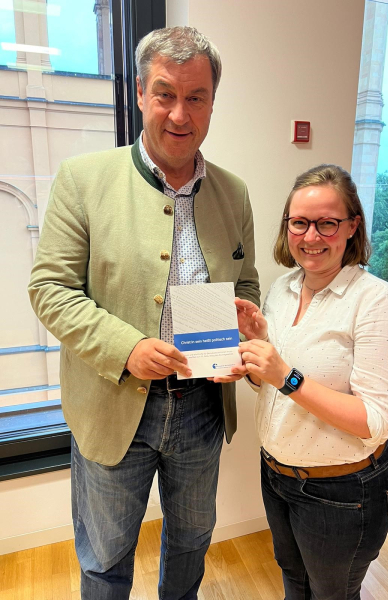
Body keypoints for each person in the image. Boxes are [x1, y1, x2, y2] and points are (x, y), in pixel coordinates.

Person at [28, 26, 259, 600]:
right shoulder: (83, 179)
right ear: (138, 92)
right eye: (165, 94)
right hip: (112, 405)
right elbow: (50, 289)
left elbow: (247, 283)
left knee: (192, 542)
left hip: (202, 407)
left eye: (196, 97)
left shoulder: (234, 192)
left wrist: (246, 318)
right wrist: (126, 348)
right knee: (105, 559)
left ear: (212, 101)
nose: (180, 114)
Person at [230, 164, 388, 599]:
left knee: (332, 593)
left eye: (327, 223)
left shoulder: (379, 304)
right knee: (293, 580)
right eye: (299, 222)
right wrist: (257, 354)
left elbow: (373, 422)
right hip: (277, 475)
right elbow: (272, 387)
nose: (310, 236)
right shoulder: (282, 290)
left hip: (342, 491)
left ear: (352, 226)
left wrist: (285, 375)